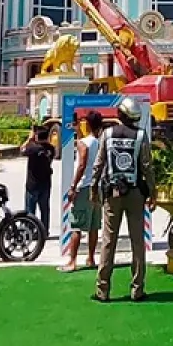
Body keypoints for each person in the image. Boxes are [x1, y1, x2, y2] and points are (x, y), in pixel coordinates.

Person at [91, 96, 154, 303]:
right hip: (135, 193)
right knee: (137, 242)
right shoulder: (141, 136)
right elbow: (147, 167)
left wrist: (93, 188)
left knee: (108, 241)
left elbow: (98, 165)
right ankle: (137, 289)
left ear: (121, 114)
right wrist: (153, 192)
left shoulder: (107, 134)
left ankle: (103, 289)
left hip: (112, 194)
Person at [61, 112, 103, 272]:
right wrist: (78, 132)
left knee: (76, 225)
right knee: (93, 226)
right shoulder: (100, 143)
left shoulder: (83, 144)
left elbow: (82, 163)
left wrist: (73, 186)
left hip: (84, 187)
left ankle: (72, 261)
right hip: (97, 187)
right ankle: (91, 258)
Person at [23, 122, 56, 232]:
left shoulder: (33, 148)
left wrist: (29, 139)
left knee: (30, 210)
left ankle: (29, 230)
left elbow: (22, 149)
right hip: (46, 183)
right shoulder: (51, 149)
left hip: (32, 185)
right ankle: (44, 230)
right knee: (45, 209)